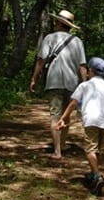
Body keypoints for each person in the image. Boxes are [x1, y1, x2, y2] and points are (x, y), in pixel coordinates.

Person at [56, 57, 104, 195]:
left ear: (90, 71)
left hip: (91, 120)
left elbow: (74, 103)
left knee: (89, 150)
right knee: (96, 148)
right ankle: (93, 175)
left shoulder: (84, 85)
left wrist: (63, 118)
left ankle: (96, 175)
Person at [30, 10, 87, 159]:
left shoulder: (50, 38)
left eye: (56, 22)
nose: (54, 24)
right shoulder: (77, 41)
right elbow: (82, 66)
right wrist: (85, 84)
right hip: (72, 83)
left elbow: (41, 60)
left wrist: (34, 78)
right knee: (66, 116)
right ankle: (62, 144)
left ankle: (57, 151)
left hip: (54, 82)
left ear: (59, 23)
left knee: (55, 116)